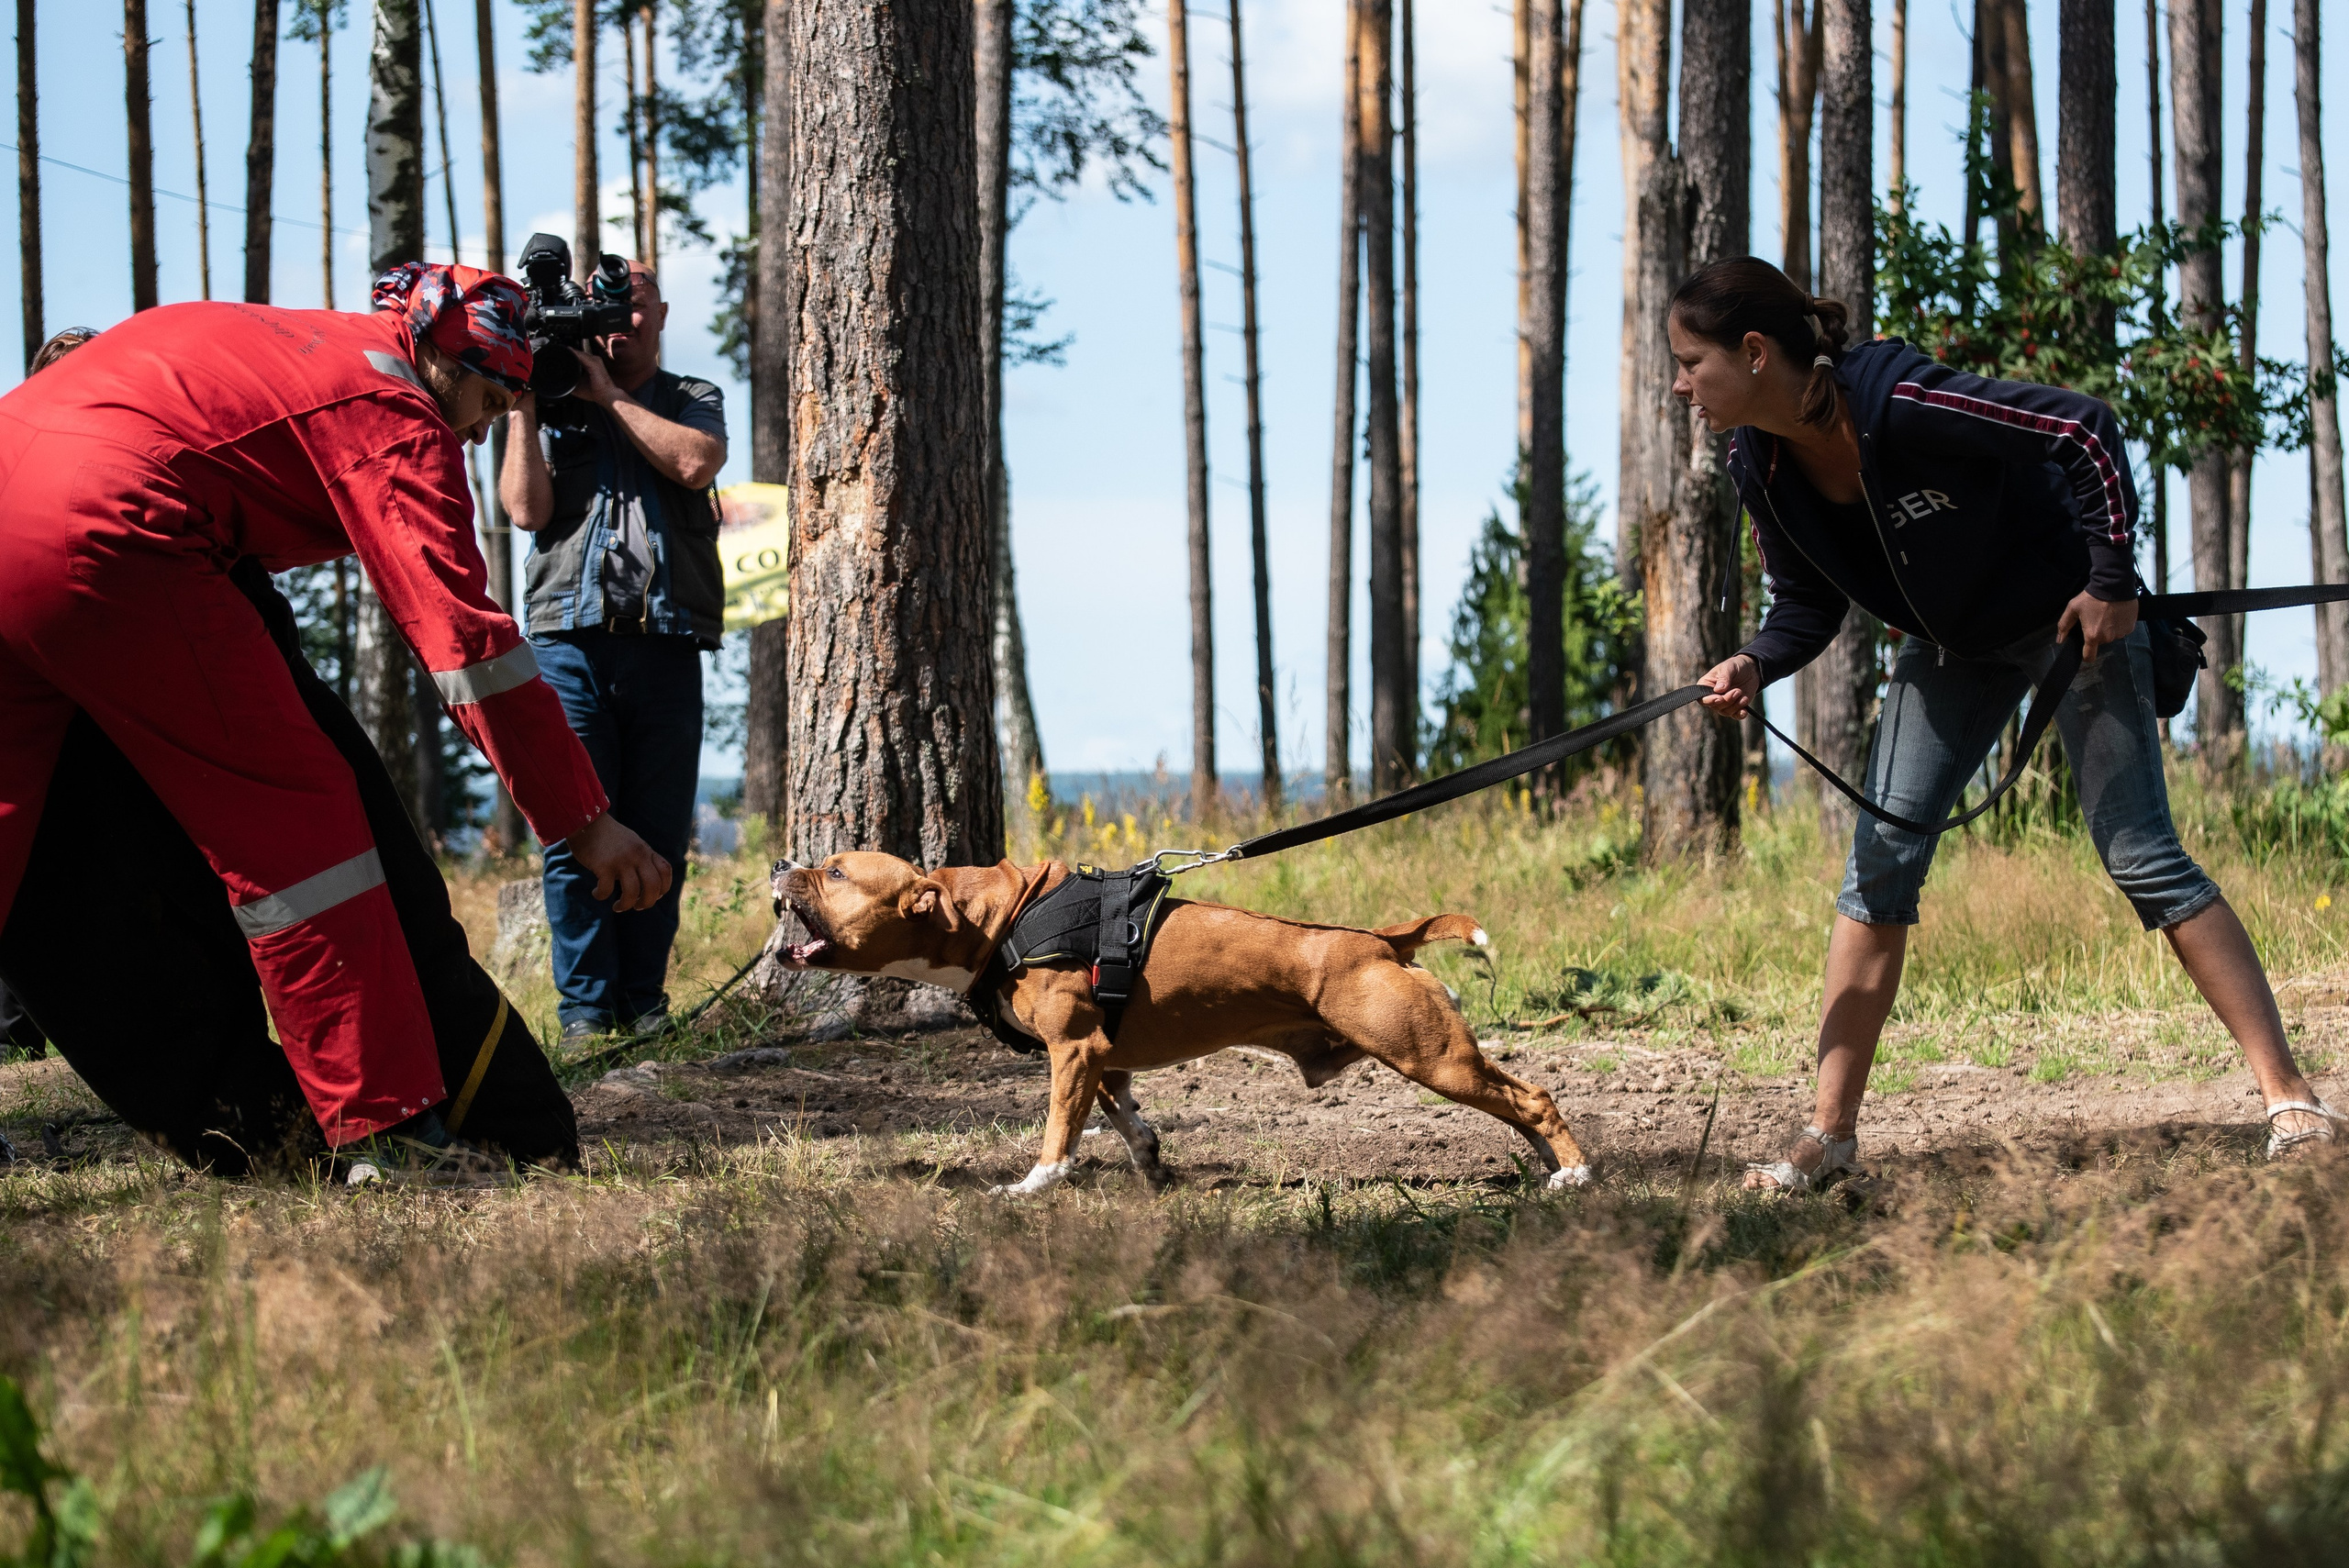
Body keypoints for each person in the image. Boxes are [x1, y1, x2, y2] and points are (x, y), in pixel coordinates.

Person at [1674, 255, 2335, 1189]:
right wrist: (1755, 660)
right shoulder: (1760, 462)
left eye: (1689, 361)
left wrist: (2108, 583)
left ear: (1751, 352)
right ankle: (1828, 1137)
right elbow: (1804, 605)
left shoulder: (1897, 397)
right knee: (1880, 864)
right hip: (1950, 649)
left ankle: (2292, 1099)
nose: (1677, 382)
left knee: (2139, 852)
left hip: (2076, 624)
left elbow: (2083, 428)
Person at [0, 265, 672, 1169]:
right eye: (486, 399)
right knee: (306, 829)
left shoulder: (293, 337)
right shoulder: (390, 405)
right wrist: (582, 823)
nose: (476, 431)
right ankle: (387, 1131)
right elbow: (468, 646)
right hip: (109, 529)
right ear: (447, 363)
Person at [500, 261, 725, 1043]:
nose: (623, 324)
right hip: (568, 641)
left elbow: (695, 463)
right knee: (575, 826)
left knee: (658, 832)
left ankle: (643, 1004)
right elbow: (526, 508)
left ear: (661, 313)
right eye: (611, 312)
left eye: (635, 309)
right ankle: (586, 1014)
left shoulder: (691, 399)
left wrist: (609, 396)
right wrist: (527, 402)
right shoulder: (555, 407)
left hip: (665, 642)